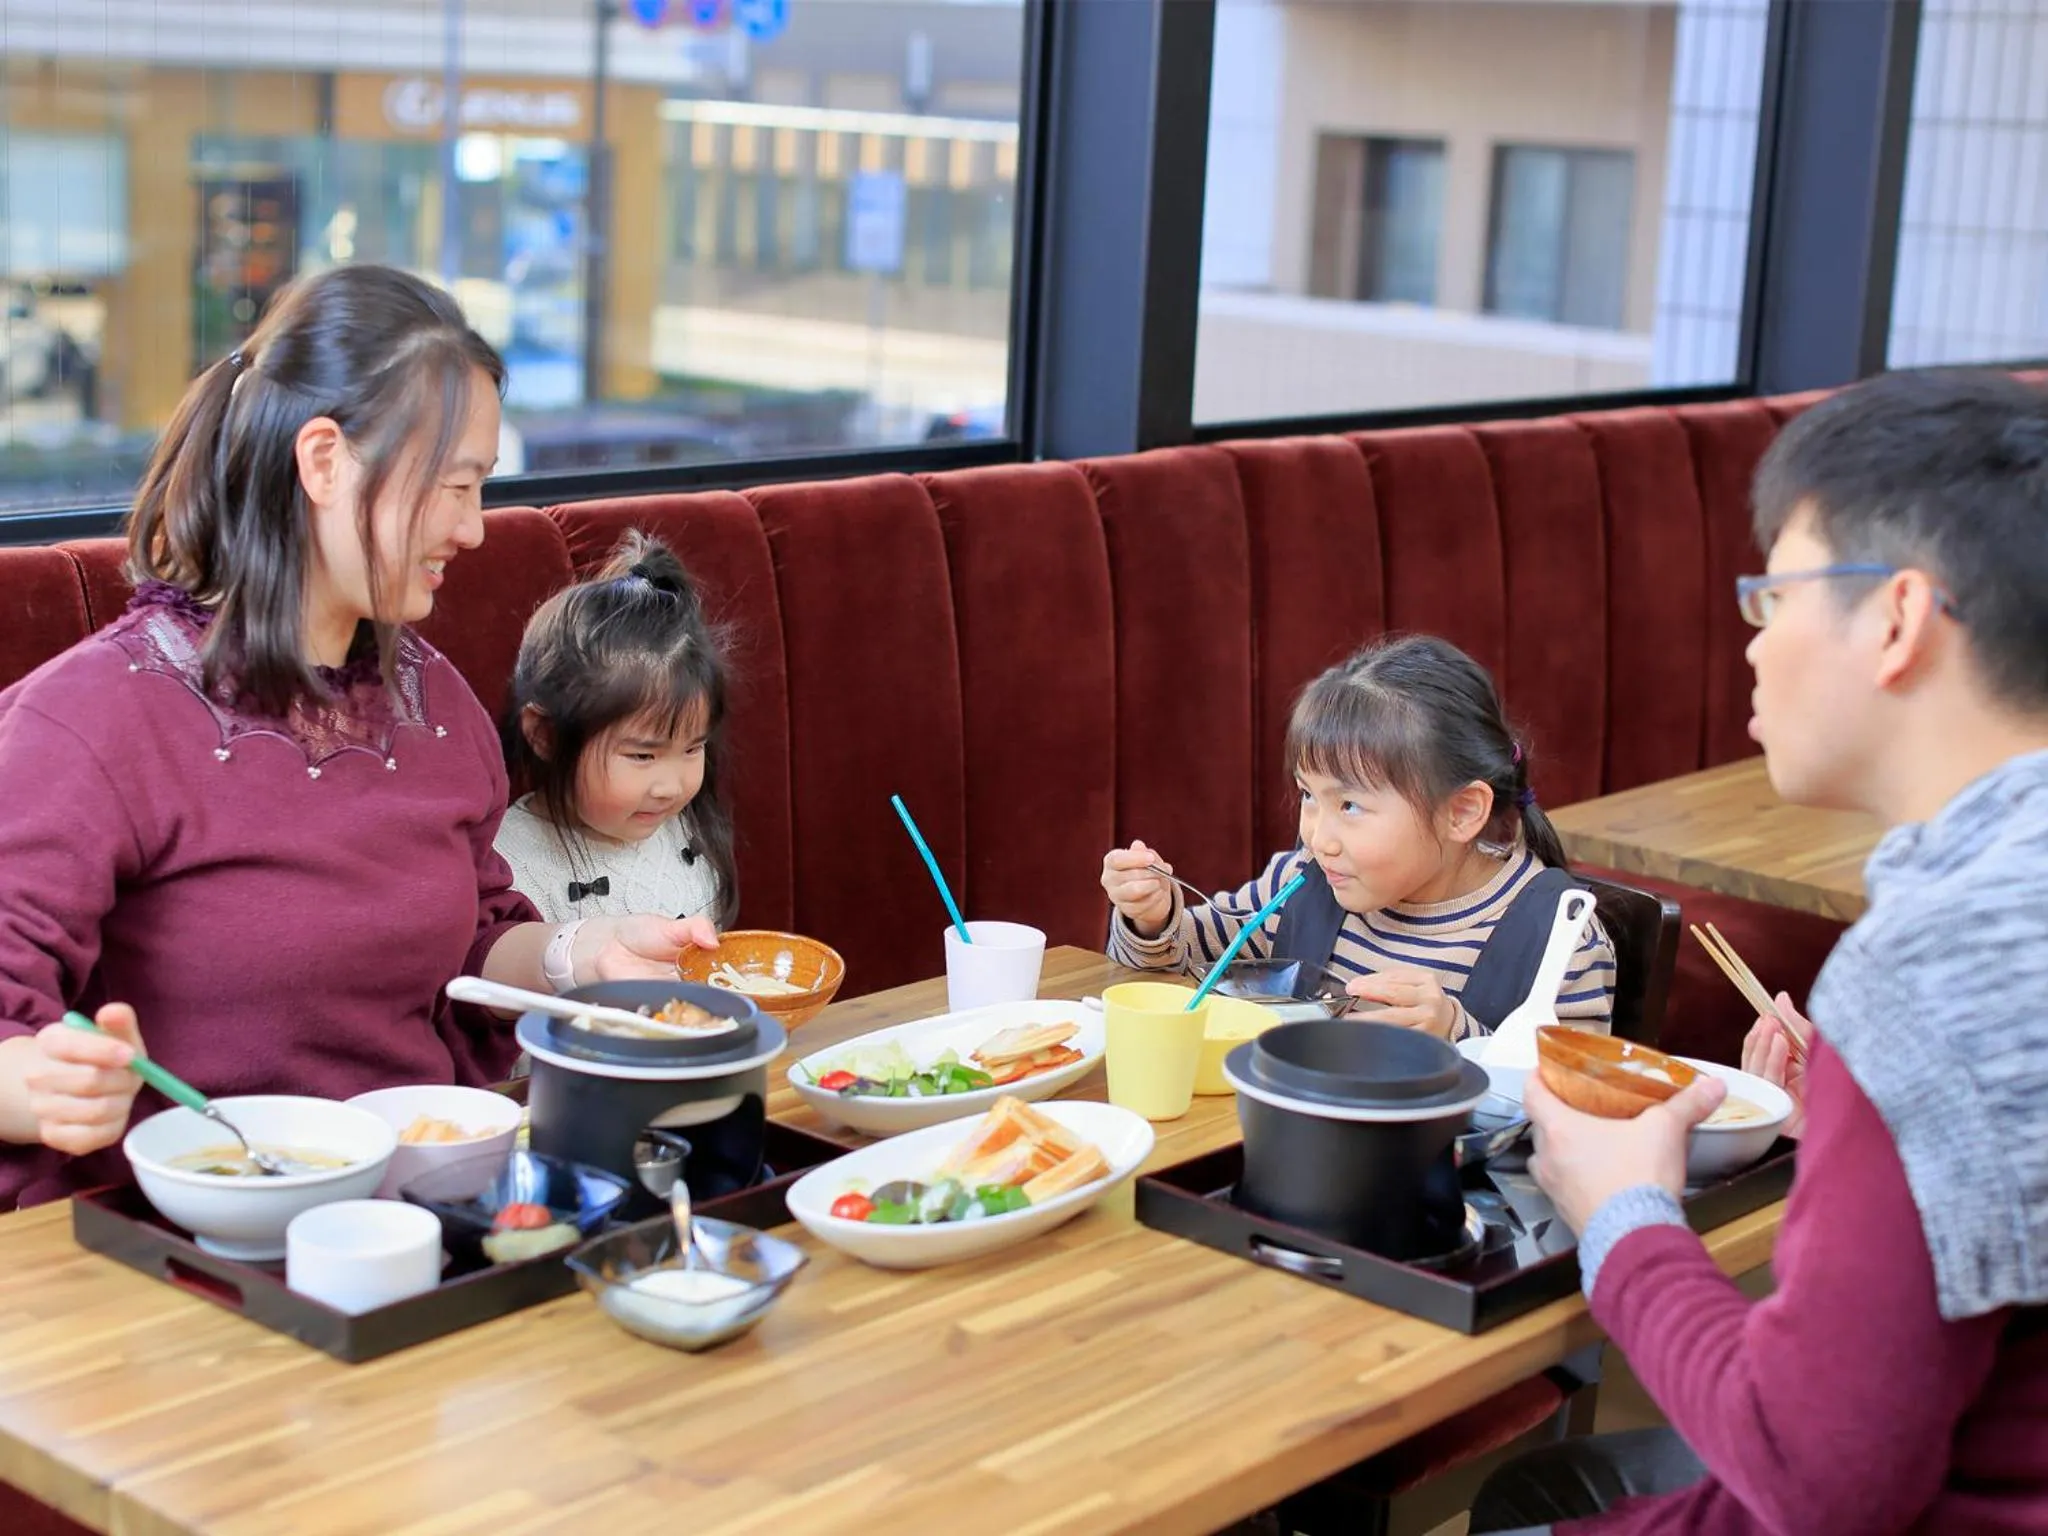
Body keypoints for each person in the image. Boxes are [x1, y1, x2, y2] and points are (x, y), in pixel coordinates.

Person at [0, 265, 713, 1212]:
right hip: (188, 1233)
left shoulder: (435, 703)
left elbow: (471, 947)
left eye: (481, 488)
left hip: (427, 1201)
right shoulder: (87, 722)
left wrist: (583, 957)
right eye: (451, 486)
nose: (472, 528)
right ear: (326, 460)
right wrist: (41, 1085)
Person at [1475, 368, 2048, 1533]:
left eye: (1772, 596)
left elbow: (1814, 1479)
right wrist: (1848, 1116)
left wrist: (1621, 1210)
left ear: (1893, 618)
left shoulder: (1936, 970)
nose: (1750, 646)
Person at [1102, 635, 1615, 1039]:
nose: (1317, 837)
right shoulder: (1305, 882)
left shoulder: (1558, 940)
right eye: (1308, 796)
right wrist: (1152, 917)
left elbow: (1571, 1115)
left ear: (1461, 813)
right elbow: (1182, 964)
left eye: (1349, 805)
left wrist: (1455, 1036)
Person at [494, 530, 739, 928]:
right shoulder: (510, 867)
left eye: (693, 748)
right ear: (546, 736)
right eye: (643, 755)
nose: (671, 787)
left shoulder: (680, 825)